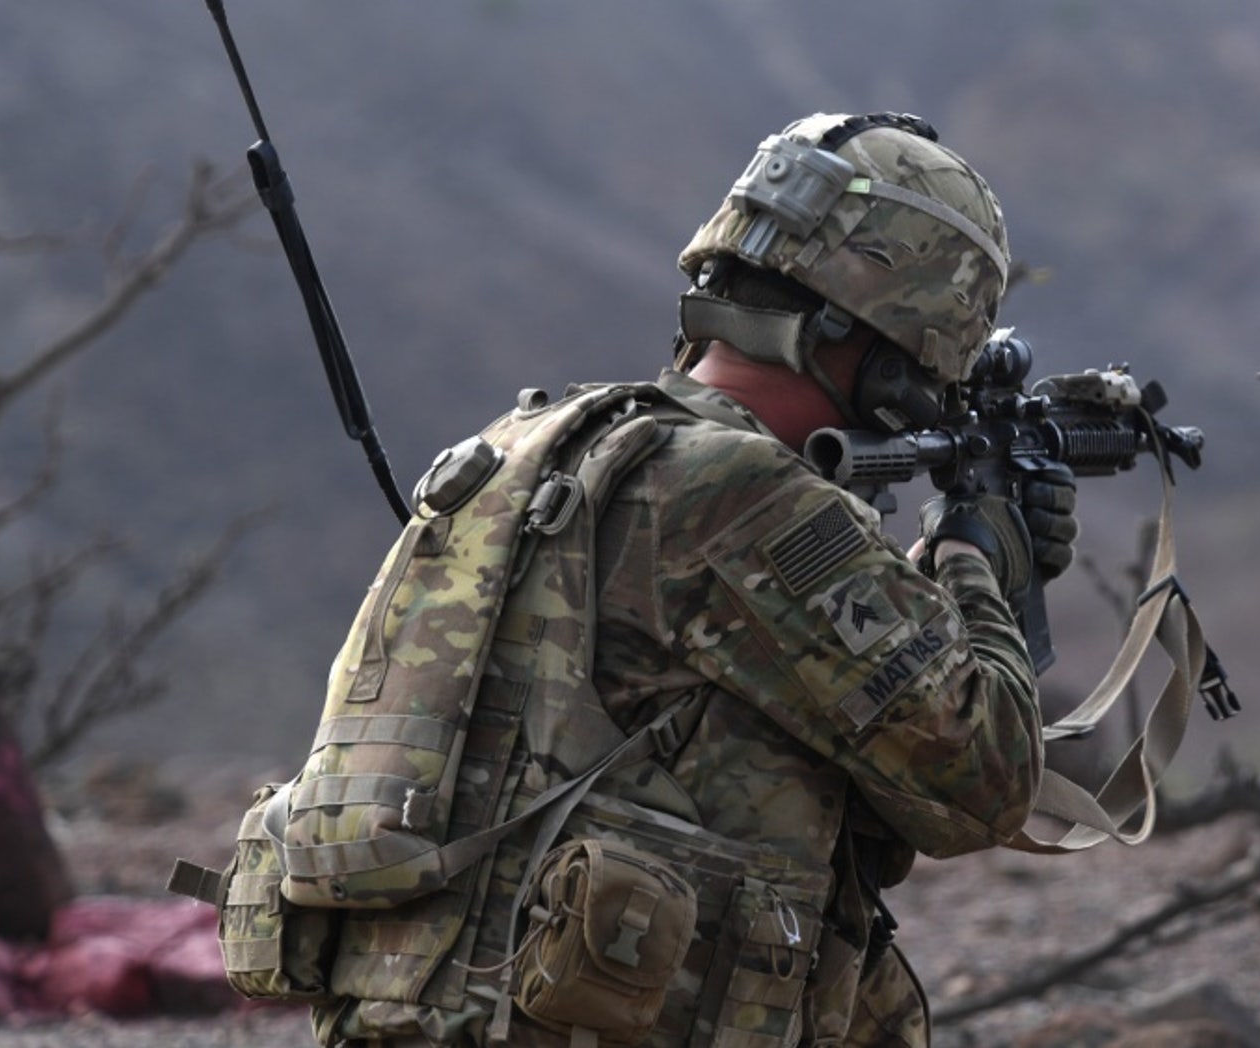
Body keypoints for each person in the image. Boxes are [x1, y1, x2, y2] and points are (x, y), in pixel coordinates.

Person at [321, 111, 1078, 1047]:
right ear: (902, 346)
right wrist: (975, 562)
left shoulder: (528, 448)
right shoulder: (743, 492)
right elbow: (983, 779)